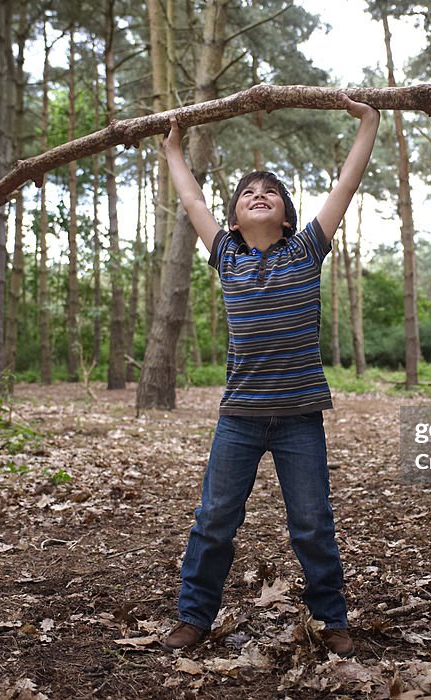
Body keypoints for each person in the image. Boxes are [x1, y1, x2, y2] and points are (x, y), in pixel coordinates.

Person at [160, 96, 380, 658]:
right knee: (214, 521)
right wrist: (174, 149)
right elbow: (189, 198)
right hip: (239, 419)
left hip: (299, 419)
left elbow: (346, 187)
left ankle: (332, 619)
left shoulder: (306, 251)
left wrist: (369, 124)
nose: (259, 195)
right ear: (234, 218)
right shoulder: (227, 255)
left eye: (271, 192)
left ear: (285, 215)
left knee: (311, 523)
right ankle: (193, 616)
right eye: (247, 194)